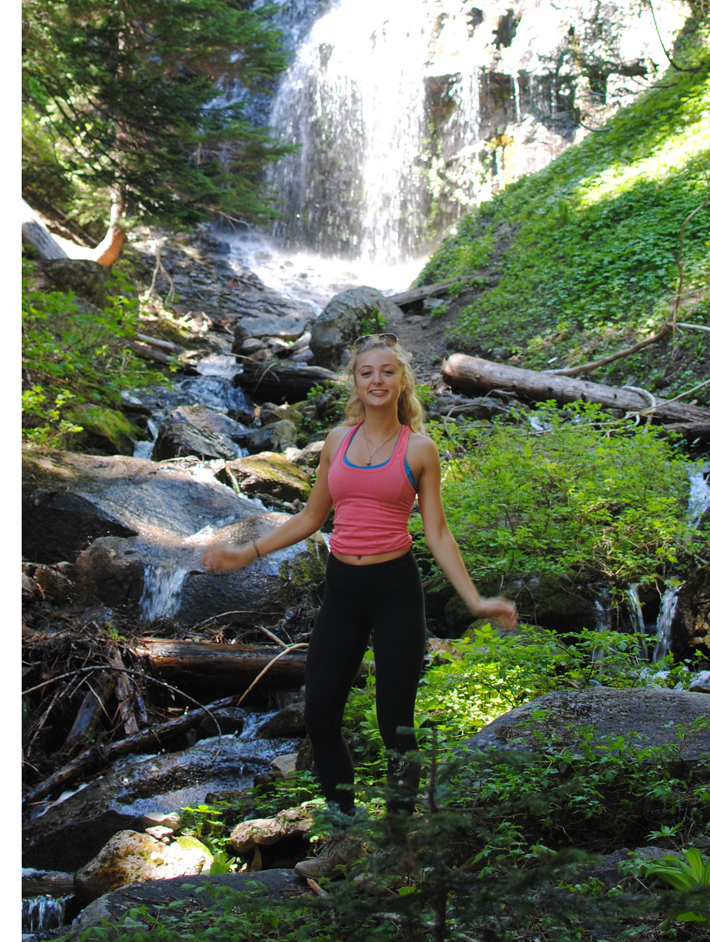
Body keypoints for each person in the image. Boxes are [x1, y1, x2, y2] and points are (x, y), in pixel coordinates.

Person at [199, 332, 517, 876]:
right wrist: (244, 552)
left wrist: (476, 601)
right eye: (366, 372)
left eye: (387, 372)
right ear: (355, 381)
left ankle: (397, 845)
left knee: (396, 723)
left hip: (396, 591)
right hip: (342, 592)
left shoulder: (419, 449)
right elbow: (310, 518)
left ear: (401, 380)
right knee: (321, 714)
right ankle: (345, 827)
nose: (377, 380)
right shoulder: (336, 440)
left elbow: (437, 533)